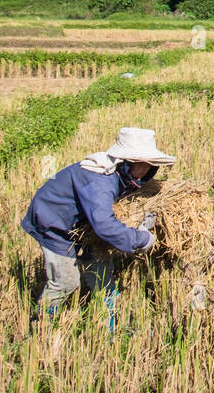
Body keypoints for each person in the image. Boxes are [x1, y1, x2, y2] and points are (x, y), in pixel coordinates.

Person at [21, 127, 174, 327]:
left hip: (85, 222)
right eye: (142, 163)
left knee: (102, 272)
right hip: (53, 221)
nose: (146, 169)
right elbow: (103, 224)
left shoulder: (124, 176)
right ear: (128, 161)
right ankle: (40, 324)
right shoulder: (101, 180)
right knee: (66, 282)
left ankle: (110, 327)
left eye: (150, 164)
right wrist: (141, 239)